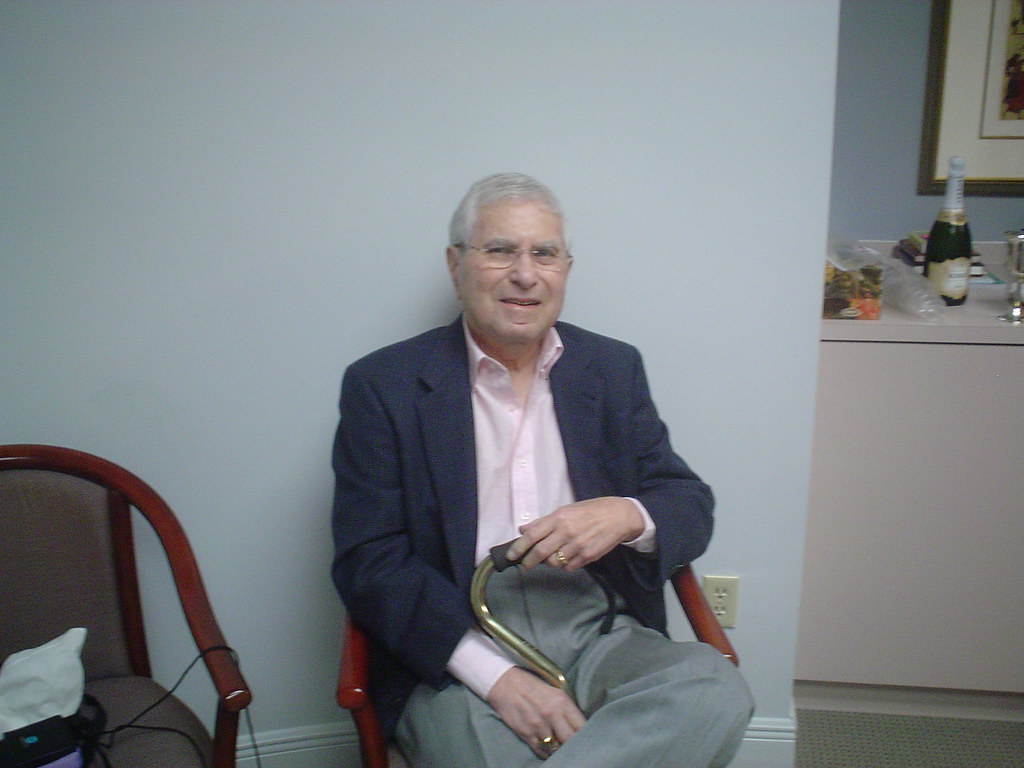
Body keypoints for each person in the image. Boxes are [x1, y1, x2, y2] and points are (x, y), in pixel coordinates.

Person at [331, 172, 753, 768]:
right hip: (458, 642)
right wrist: (496, 678)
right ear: (455, 265)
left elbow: (689, 503)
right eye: (500, 250)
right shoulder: (383, 386)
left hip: (599, 626)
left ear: (565, 270)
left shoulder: (611, 369)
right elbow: (368, 562)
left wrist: (625, 515)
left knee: (714, 692)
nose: (525, 274)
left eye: (544, 254)